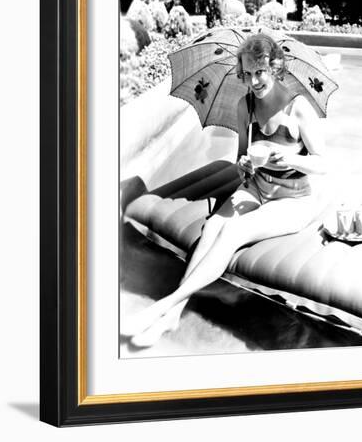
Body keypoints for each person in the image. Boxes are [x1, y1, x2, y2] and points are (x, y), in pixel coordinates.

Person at [124, 33, 328, 347]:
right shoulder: (244, 106)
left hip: (292, 198)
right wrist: (244, 166)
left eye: (259, 72)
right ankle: (174, 314)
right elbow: (239, 161)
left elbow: (323, 164)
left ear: (274, 67)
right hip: (257, 188)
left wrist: (290, 158)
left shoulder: (297, 108)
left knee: (232, 233)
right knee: (214, 226)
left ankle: (164, 305)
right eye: (247, 74)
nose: (254, 81)